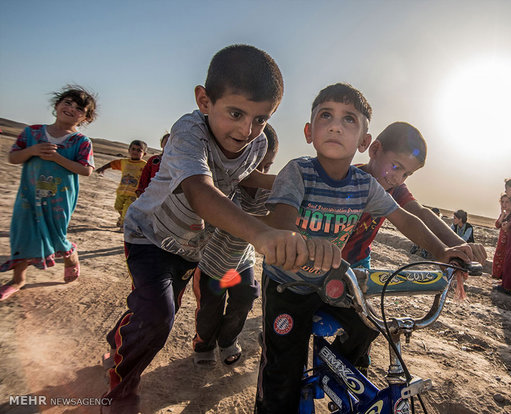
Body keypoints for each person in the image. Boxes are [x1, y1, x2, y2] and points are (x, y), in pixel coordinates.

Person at [102, 44, 307, 413]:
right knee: (159, 317)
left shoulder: (257, 144)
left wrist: (292, 187)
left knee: (156, 314)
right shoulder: (188, 131)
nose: (247, 129)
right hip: (149, 237)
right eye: (236, 112)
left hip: (191, 249)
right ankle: (121, 390)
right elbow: (200, 191)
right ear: (204, 100)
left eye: (261, 118)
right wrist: (260, 235)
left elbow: (244, 179)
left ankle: (122, 337)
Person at [255, 83, 470, 413]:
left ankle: (339, 375)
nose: (337, 126)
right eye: (327, 115)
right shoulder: (301, 172)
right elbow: (280, 218)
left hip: (338, 277)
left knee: (367, 325)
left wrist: (445, 250)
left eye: (349, 120)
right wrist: (300, 241)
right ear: (310, 131)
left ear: (364, 142)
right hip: (289, 283)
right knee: (282, 371)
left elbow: (409, 217)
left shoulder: (367, 186)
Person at [342, 122, 486, 270]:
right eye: (396, 167)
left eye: (406, 174)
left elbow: (420, 213)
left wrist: (459, 245)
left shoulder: (395, 188)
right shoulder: (345, 180)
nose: (398, 178)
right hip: (328, 258)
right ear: (375, 150)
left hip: (359, 262)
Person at [192, 123, 278, 366]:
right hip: (211, 262)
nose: (260, 172)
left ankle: (227, 340)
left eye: (267, 166)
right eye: (255, 164)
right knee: (209, 310)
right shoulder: (223, 185)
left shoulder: (267, 194)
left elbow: (279, 216)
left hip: (242, 261)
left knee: (245, 297)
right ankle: (204, 342)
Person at [0, 85, 97, 301]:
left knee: (56, 236)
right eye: (68, 102)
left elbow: (86, 170)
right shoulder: (32, 132)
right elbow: (13, 158)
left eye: (79, 108)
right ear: (56, 105)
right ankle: (17, 280)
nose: (71, 108)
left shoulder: (81, 142)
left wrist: (58, 159)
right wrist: (32, 151)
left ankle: (70, 253)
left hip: (59, 201)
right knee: (23, 234)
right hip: (27, 199)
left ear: (86, 118)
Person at [95, 140, 148, 227]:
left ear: (144, 154)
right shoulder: (124, 162)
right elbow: (112, 164)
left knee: (127, 209)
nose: (135, 152)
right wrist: (103, 168)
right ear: (129, 150)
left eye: (139, 150)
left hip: (134, 193)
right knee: (118, 207)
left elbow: (149, 175)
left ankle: (124, 225)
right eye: (133, 149)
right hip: (121, 191)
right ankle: (122, 218)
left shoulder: (144, 165)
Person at [491, 193, 511, 280]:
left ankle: (504, 278)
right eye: (502, 202)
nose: (504, 204)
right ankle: (496, 275)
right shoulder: (503, 215)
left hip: (509, 241)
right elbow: (497, 225)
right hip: (501, 241)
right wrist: (502, 214)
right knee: (498, 257)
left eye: (507, 202)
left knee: (507, 259)